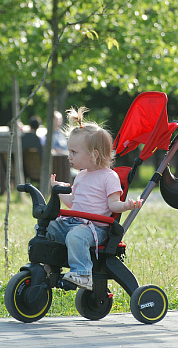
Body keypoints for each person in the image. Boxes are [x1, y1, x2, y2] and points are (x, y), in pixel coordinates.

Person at [46, 106, 142, 290]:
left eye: (74, 152)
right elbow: (74, 203)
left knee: (76, 236)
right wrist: (59, 190)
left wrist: (127, 205)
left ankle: (82, 274)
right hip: (73, 221)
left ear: (94, 155)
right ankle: (50, 265)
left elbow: (113, 205)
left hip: (94, 229)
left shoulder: (109, 177)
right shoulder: (81, 175)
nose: (69, 156)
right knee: (49, 226)